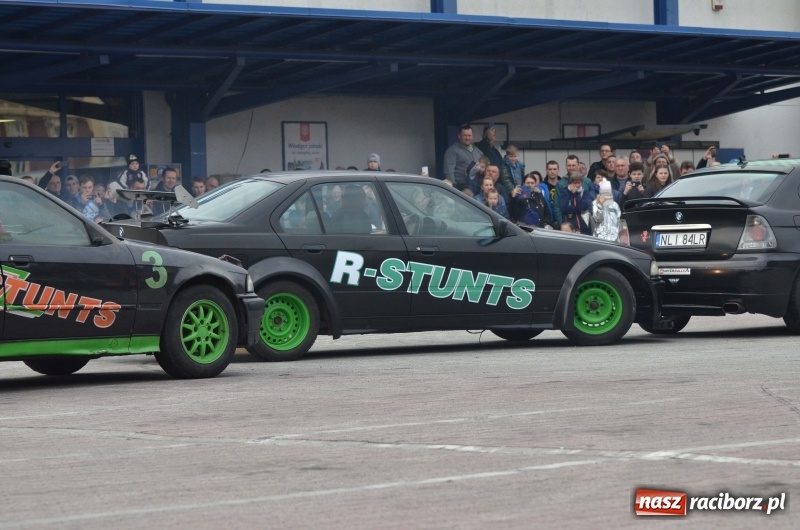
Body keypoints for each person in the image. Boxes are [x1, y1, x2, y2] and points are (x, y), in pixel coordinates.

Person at [554, 155, 593, 225]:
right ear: (566, 166)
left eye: (573, 165)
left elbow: (591, 204)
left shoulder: (587, 182)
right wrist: (562, 224)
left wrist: (589, 222)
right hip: (567, 223)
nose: (571, 168)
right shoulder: (560, 183)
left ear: (578, 165)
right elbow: (557, 206)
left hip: (585, 223)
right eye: (569, 165)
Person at [443, 124, 483, 191]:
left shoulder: (479, 152)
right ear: (459, 136)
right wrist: (453, 187)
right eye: (465, 135)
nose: (467, 138)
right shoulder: (452, 150)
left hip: (477, 186)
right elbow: (448, 170)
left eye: (469, 135)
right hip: (461, 186)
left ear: (472, 136)